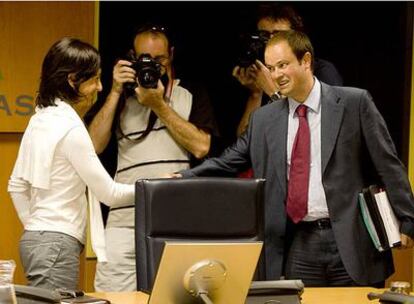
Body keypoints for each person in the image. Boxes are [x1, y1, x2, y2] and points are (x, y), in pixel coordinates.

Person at [174, 30, 414, 287]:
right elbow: (228, 161)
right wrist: (183, 176)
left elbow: (387, 164)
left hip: (351, 237)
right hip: (300, 242)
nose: (276, 74)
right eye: (271, 68)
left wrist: (408, 219)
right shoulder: (264, 119)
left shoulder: (353, 103)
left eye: (283, 65)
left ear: (306, 60)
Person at [88, 24, 218, 291]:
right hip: (123, 219)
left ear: (170, 55)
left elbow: (201, 147)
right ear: (131, 58)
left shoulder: (190, 92)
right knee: (112, 293)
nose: (153, 66)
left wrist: (158, 104)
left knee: (175, 293)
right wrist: (113, 91)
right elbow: (93, 146)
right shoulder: (120, 96)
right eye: (145, 59)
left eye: (159, 59)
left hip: (176, 216)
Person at [7, 37, 135, 291]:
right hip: (55, 243)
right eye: (95, 79)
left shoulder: (40, 119)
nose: (100, 87)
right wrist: (156, 187)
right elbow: (109, 193)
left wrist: (37, 227)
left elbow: (16, 187)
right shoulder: (70, 128)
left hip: (36, 240)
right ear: (73, 79)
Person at [233, 3, 343, 136]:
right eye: (264, 36)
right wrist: (255, 94)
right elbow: (245, 142)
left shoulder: (321, 71)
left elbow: (323, 130)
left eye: (280, 35)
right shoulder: (259, 74)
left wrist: (273, 91)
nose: (271, 42)